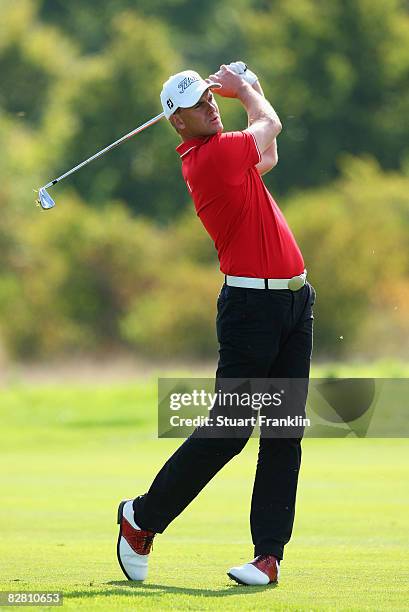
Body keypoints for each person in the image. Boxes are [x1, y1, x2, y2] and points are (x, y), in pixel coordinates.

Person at [116, 62, 315, 586]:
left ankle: (267, 556)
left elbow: (267, 150)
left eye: (210, 98)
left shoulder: (230, 153)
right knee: (230, 432)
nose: (209, 107)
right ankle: (140, 519)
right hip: (251, 310)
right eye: (196, 105)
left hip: (295, 303)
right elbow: (269, 125)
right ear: (177, 123)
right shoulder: (209, 158)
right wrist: (247, 88)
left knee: (282, 433)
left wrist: (252, 91)